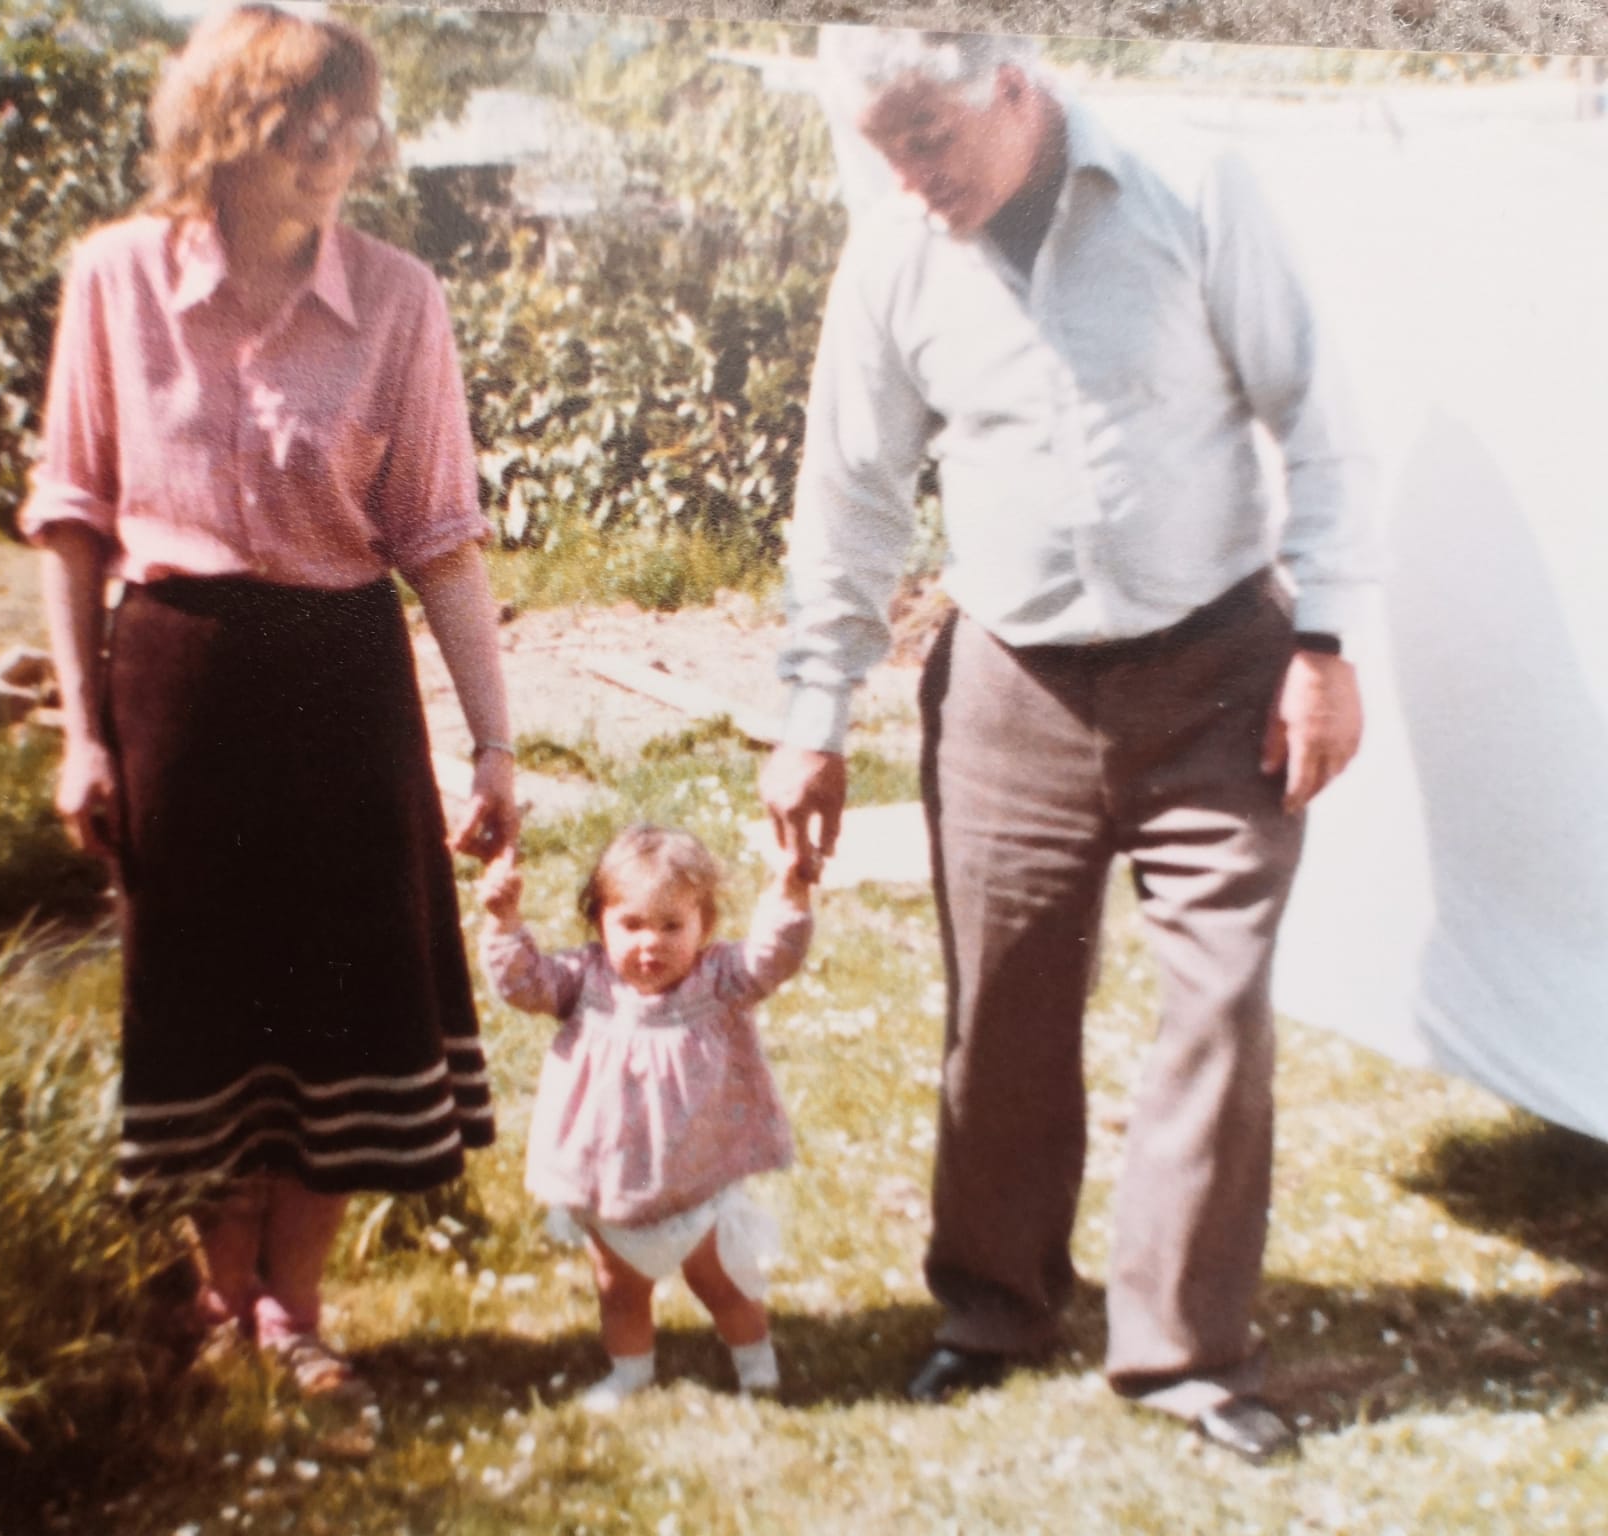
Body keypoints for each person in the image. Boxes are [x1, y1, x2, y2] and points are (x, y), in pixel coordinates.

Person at [761, 30, 1378, 1462]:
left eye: (932, 144)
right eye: (883, 151)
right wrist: (811, 715)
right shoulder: (893, 256)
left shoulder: (1193, 188)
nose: (910, 181)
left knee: (1217, 1009)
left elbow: (1319, 423)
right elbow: (848, 499)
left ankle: (1184, 1357)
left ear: (1015, 86)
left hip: (1219, 665)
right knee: (1004, 1018)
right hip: (1010, 679)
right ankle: (993, 1311)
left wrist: (1328, 646)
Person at [22, 5, 517, 1402]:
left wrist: (492, 743)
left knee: (348, 999)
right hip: (173, 680)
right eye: (302, 129)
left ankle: (293, 1308)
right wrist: (80, 729)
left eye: (352, 128)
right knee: (204, 995)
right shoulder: (115, 282)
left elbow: (437, 534)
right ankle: (214, 1287)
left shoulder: (401, 299)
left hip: (340, 687)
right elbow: (71, 520)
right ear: (225, 131)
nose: (334, 155)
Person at [478, 827, 812, 1410]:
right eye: (631, 924)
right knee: (619, 1286)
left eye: (671, 926)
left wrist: (788, 893)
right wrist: (504, 923)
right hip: (607, 1180)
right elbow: (522, 984)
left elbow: (772, 958)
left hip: (694, 1174)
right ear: (600, 921)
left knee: (718, 1279)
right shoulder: (584, 981)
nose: (650, 945)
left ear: (703, 927)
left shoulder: (719, 979)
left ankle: (758, 1371)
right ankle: (631, 1374)